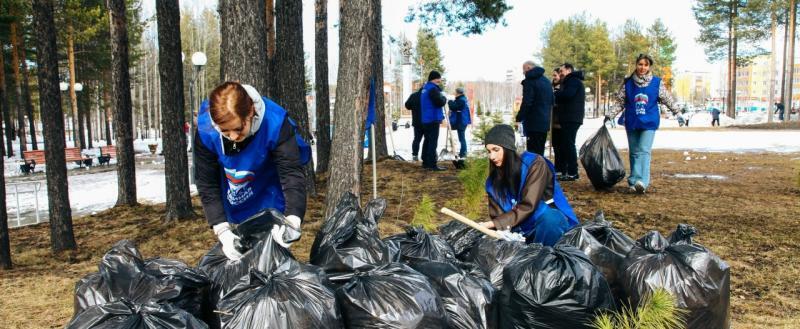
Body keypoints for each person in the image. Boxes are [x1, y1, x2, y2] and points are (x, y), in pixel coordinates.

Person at [195, 81, 310, 260]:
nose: (233, 137)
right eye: (225, 131)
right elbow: (206, 182)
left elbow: (291, 173)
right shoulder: (207, 130)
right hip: (235, 189)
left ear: (251, 113)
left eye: (239, 129)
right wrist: (222, 230)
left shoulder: (274, 123)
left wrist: (293, 219)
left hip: (269, 188)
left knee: (273, 257)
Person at [478, 124, 579, 246]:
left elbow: (528, 205)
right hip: (518, 230)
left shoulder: (534, 164)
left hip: (543, 225)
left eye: (496, 150)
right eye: (488, 151)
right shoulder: (492, 182)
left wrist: (492, 223)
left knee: (552, 219)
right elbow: (498, 217)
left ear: (508, 148)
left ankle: (543, 258)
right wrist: (495, 228)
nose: (492, 156)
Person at [608, 54, 679, 194]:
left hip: (649, 122)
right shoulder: (628, 83)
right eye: (640, 64)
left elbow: (667, 99)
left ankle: (642, 181)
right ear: (636, 65)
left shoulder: (656, 83)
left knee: (644, 151)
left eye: (645, 65)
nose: (642, 67)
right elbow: (620, 102)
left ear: (649, 66)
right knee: (634, 152)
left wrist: (677, 112)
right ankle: (633, 181)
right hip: (632, 121)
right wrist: (609, 115)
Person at [553, 63, 586, 181]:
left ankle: (573, 172)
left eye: (562, 71)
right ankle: (566, 170)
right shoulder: (570, 81)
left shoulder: (572, 81)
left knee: (569, 144)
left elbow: (568, 95)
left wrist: (555, 94)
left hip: (571, 118)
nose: (560, 73)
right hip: (570, 117)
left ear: (569, 70)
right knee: (566, 144)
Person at [516, 61, 553, 156]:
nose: (523, 73)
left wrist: (519, 117)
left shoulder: (530, 81)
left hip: (533, 123)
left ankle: (534, 171)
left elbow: (527, 102)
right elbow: (552, 100)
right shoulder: (547, 81)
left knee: (532, 152)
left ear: (528, 68)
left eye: (523, 70)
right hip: (544, 122)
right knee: (540, 151)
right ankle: (541, 170)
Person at [420, 70, 448, 171]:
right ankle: (432, 164)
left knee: (427, 141)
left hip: (426, 119)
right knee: (432, 142)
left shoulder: (425, 88)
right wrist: (444, 98)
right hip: (432, 119)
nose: (440, 81)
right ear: (435, 78)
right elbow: (439, 102)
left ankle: (426, 162)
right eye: (439, 79)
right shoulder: (432, 89)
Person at [447, 87, 471, 158]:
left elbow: (454, 107)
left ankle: (463, 153)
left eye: (455, 92)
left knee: (462, 138)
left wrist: (449, 101)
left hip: (461, 121)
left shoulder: (461, 100)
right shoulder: (462, 99)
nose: (454, 94)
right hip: (462, 121)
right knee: (461, 138)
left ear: (458, 93)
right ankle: (463, 152)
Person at [405, 85, 423, 161]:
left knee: (417, 139)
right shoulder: (429, 95)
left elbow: (407, 105)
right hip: (428, 121)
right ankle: (428, 155)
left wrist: (414, 107)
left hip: (417, 121)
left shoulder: (414, 95)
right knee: (428, 139)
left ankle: (415, 155)